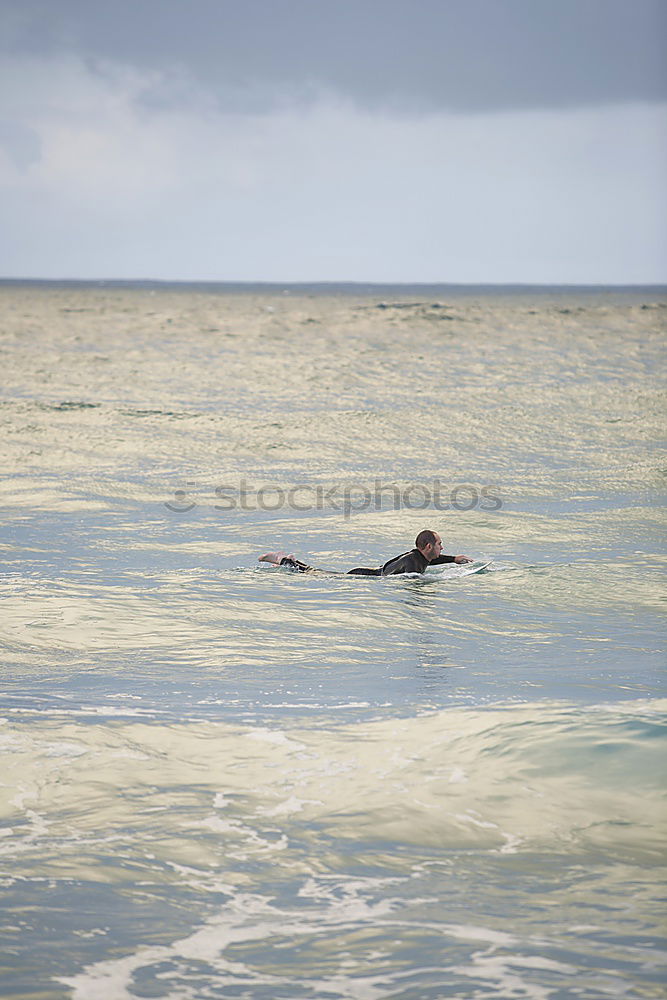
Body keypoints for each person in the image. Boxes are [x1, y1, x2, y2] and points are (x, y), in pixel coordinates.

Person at [259, 529, 472, 576]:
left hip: (367, 574)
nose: (441, 548)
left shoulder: (418, 557)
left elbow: (431, 562)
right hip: (360, 578)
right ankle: (285, 560)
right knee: (315, 575)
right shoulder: (413, 562)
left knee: (315, 572)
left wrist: (454, 559)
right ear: (428, 547)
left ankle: (289, 561)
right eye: (440, 544)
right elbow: (410, 578)